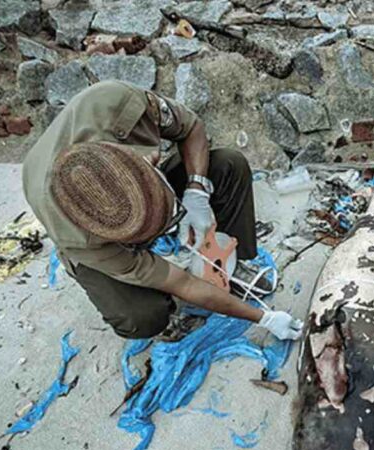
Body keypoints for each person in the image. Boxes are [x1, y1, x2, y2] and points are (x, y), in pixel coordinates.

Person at [23, 80, 303, 342]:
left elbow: (192, 128)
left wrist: (195, 191)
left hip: (121, 160)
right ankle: (158, 299)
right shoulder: (86, 242)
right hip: (86, 236)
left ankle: (224, 262)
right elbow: (182, 283)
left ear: (148, 159)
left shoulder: (119, 104)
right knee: (140, 317)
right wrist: (263, 318)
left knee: (228, 165)